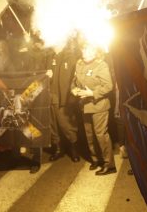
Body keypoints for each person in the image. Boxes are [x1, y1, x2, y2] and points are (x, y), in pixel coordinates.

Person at [72, 43, 116, 175]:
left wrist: (92, 93)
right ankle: (96, 160)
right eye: (83, 49)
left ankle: (109, 164)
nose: (84, 52)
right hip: (84, 105)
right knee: (89, 135)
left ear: (94, 51)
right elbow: (74, 81)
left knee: (100, 134)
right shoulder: (79, 63)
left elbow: (109, 86)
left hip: (99, 105)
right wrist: (73, 89)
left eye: (87, 50)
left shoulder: (101, 65)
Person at [48, 37, 81, 163]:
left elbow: (75, 77)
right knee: (53, 125)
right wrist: (47, 75)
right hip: (51, 97)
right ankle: (58, 148)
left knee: (66, 125)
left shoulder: (70, 56)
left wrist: (72, 96)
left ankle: (74, 148)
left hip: (65, 98)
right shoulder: (50, 57)